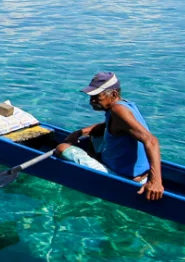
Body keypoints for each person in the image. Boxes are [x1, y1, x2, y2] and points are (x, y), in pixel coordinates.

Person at [54, 71, 164, 200]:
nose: (91, 101)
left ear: (113, 94)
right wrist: (80, 133)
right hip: (138, 174)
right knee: (94, 135)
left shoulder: (118, 110)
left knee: (61, 148)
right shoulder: (124, 106)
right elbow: (107, 125)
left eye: (96, 96)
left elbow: (151, 141)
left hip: (126, 179)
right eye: (91, 96)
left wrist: (156, 182)